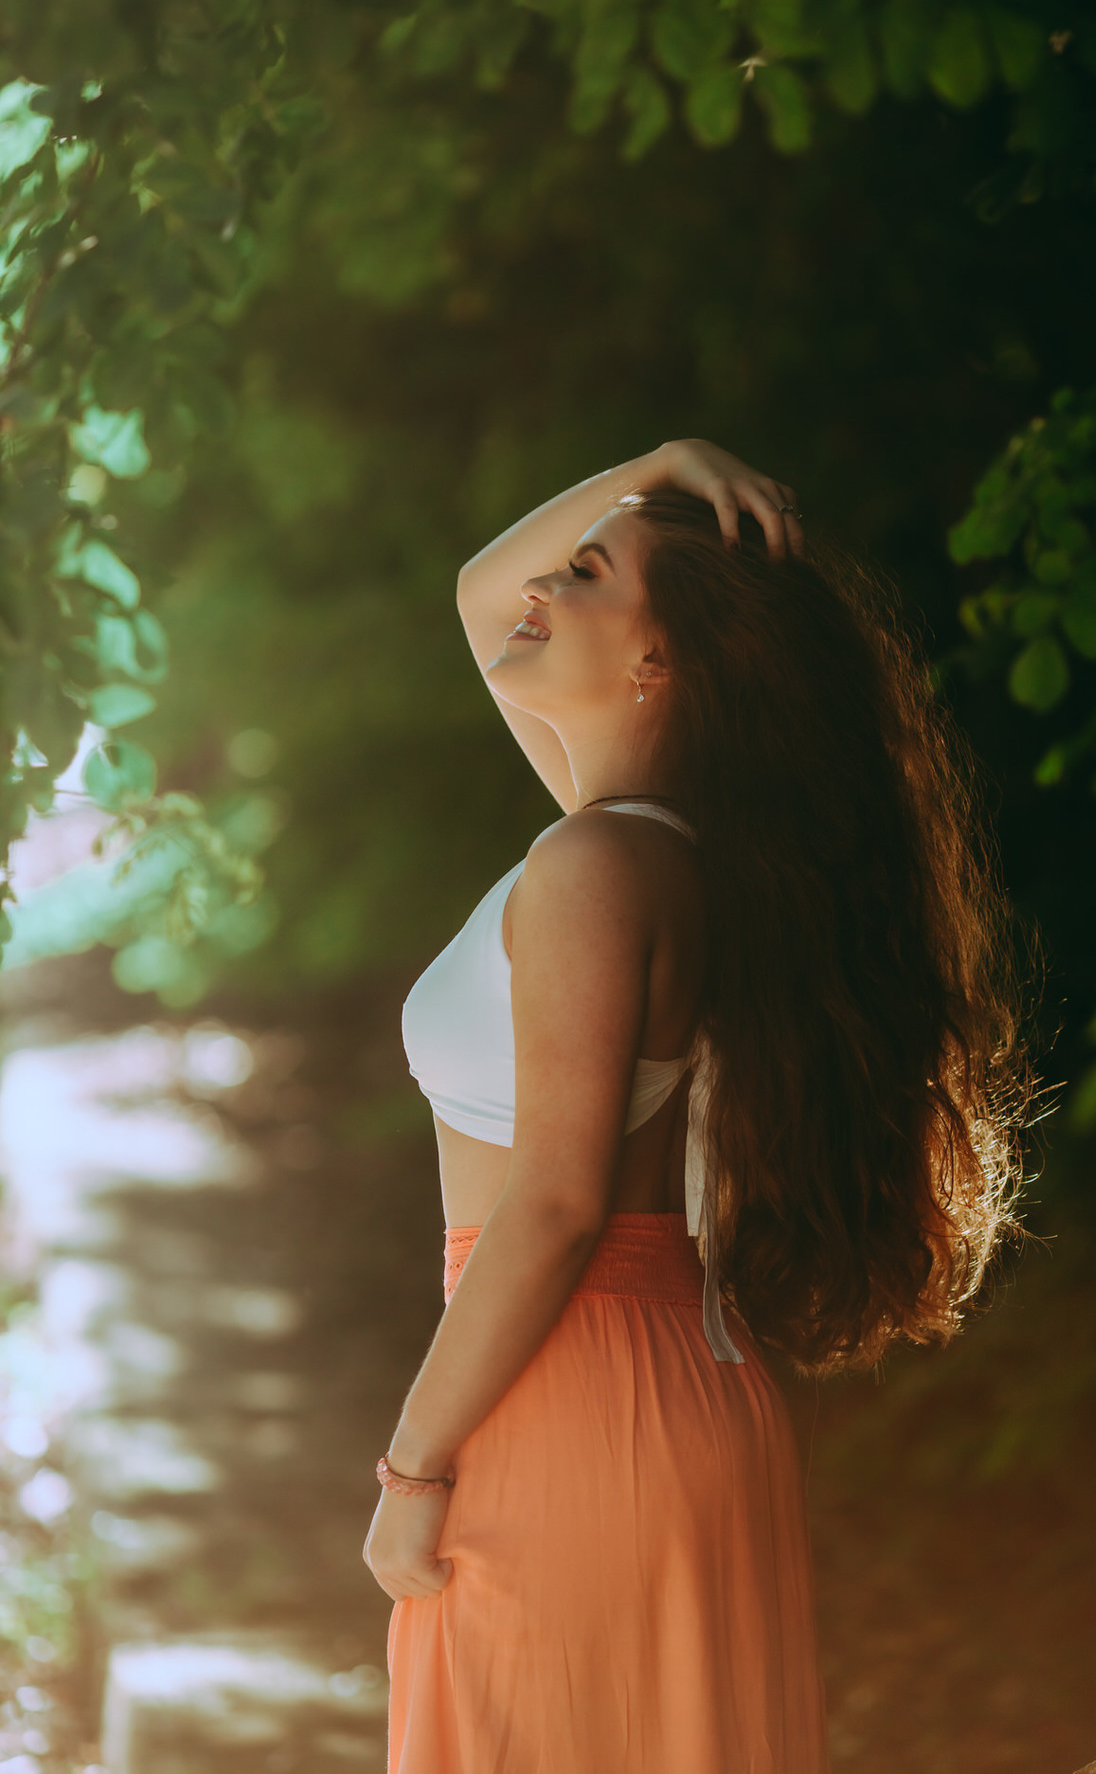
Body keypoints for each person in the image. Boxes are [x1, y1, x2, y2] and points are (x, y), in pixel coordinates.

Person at [363, 439, 1030, 1774]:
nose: (544, 588)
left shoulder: (598, 863)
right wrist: (660, 460)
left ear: (658, 660)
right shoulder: (645, 847)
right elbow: (480, 598)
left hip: (569, 1391)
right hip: (650, 1387)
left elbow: (553, 1207)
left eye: (588, 574)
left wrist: (411, 1471)